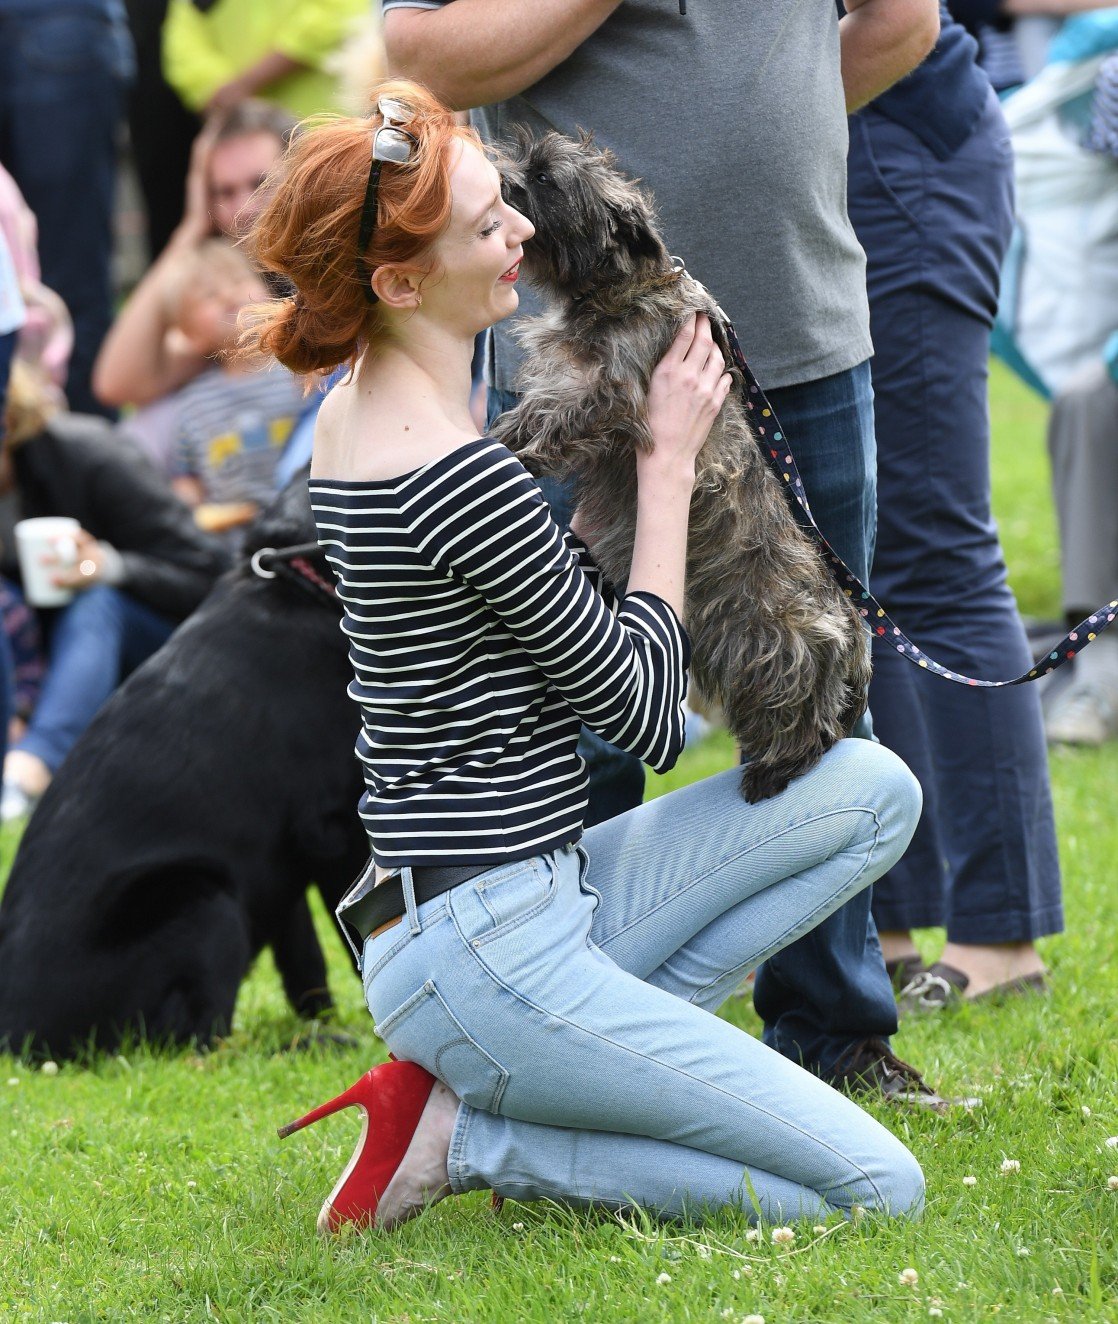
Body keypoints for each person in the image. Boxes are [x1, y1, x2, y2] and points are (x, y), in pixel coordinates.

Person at [247, 83, 925, 1234]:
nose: (517, 229)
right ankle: (475, 1133)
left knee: (871, 789)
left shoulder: (364, 404)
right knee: (877, 1188)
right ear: (400, 281)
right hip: (485, 944)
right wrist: (663, 472)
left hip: (514, 899)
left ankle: (565, 1070)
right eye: (484, 225)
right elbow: (647, 714)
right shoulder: (456, 476)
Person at [382, 0, 946, 1100]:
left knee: (817, 688)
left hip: (797, 322)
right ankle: (561, 1034)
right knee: (579, 703)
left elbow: (902, 21)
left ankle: (832, 1033)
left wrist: (766, 145)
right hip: (582, 356)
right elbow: (420, 54)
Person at [842, 2, 1062, 1011]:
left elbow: (900, 22)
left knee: (931, 548)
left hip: (897, 151)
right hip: (824, 169)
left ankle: (998, 934)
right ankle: (879, 914)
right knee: (841, 563)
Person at [0, 362, 229, 820]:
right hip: (53, 669)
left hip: (164, 646)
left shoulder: (87, 454)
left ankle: (32, 769)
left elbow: (212, 573)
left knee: (94, 601)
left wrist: (107, 566)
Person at [93, 100, 296, 475]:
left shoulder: (337, 258)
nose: (245, 208)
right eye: (224, 192)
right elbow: (117, 383)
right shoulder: (227, 293)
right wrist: (190, 228)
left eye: (260, 183)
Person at [0, 0, 134, 419]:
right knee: (70, 286)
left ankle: (78, 469)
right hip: (59, 26)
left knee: (69, 289)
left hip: (57, 24)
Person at [164, 238, 305, 529]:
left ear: (268, 293)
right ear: (188, 334)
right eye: (209, 295)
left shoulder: (301, 370)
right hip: (234, 545)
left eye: (239, 280)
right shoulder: (192, 404)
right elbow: (187, 479)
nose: (229, 295)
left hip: (305, 524)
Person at [161, 0, 366, 120]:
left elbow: (337, 14)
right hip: (249, 153)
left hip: (325, 127)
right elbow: (182, 54)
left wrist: (243, 86)